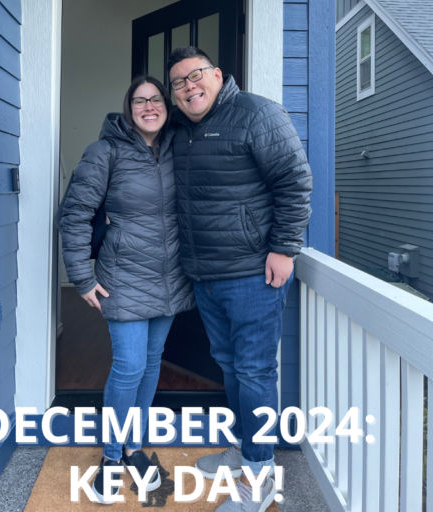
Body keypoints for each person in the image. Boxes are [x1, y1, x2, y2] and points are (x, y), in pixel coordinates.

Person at [166, 46, 312, 511]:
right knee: (230, 366)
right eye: (178, 83)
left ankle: (260, 477)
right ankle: (243, 449)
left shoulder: (257, 114)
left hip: (253, 273)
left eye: (196, 76)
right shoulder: (181, 131)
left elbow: (294, 181)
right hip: (206, 274)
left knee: (253, 371)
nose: (188, 87)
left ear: (218, 75)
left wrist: (284, 249)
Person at [58, 76, 195, 502]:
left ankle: (134, 446)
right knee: (129, 366)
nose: (149, 107)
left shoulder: (181, 148)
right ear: (128, 107)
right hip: (124, 277)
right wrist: (82, 276)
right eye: (140, 101)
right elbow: (75, 214)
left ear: (167, 106)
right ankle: (112, 456)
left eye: (156, 99)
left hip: (172, 276)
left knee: (152, 364)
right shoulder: (105, 152)